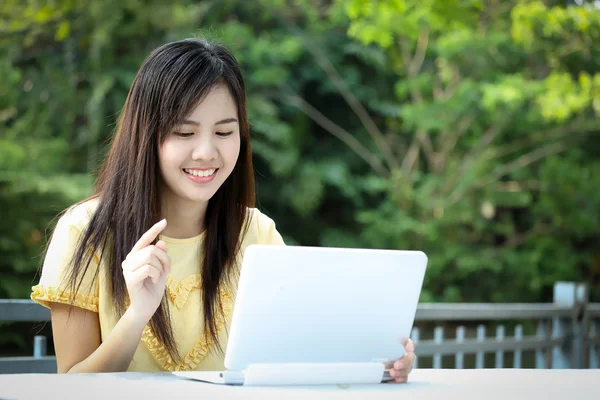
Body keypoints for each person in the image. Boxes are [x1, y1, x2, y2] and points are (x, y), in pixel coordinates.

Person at [30, 38, 416, 382]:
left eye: (224, 131)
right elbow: (71, 384)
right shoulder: (85, 230)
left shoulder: (256, 233)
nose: (206, 152)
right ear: (145, 136)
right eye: (184, 132)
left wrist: (376, 363)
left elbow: (295, 357)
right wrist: (136, 315)